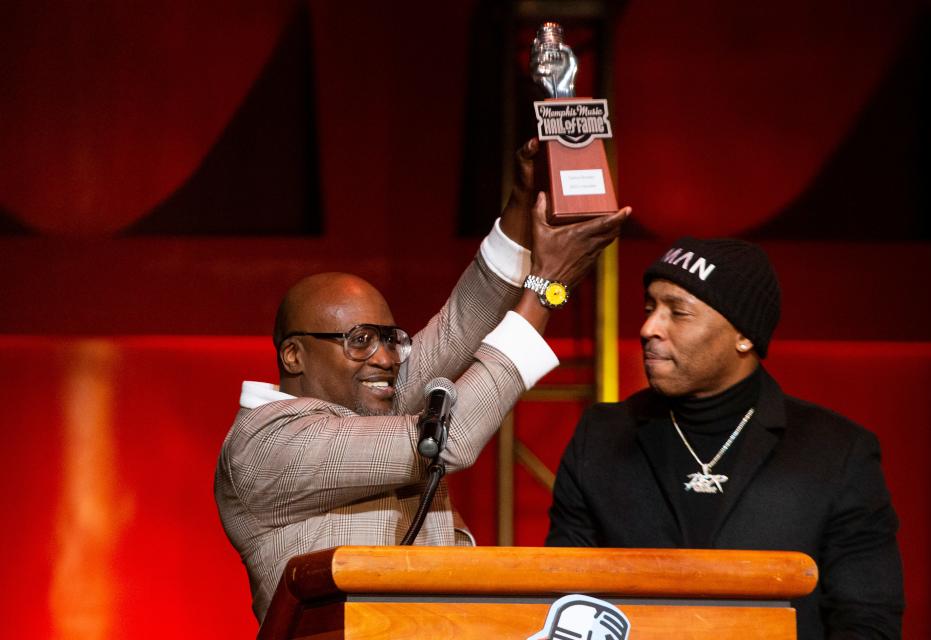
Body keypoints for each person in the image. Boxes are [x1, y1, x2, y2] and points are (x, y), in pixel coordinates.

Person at [215, 140, 631, 622]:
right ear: (294, 354)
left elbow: (461, 324)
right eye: (360, 340)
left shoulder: (368, 405)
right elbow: (444, 441)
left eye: (390, 339)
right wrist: (544, 288)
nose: (385, 358)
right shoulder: (265, 446)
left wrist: (521, 199)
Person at [546, 237, 903, 640]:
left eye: (677, 312)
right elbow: (563, 599)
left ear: (744, 336)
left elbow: (867, 622)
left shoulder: (837, 453)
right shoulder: (603, 435)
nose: (649, 328)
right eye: (650, 308)